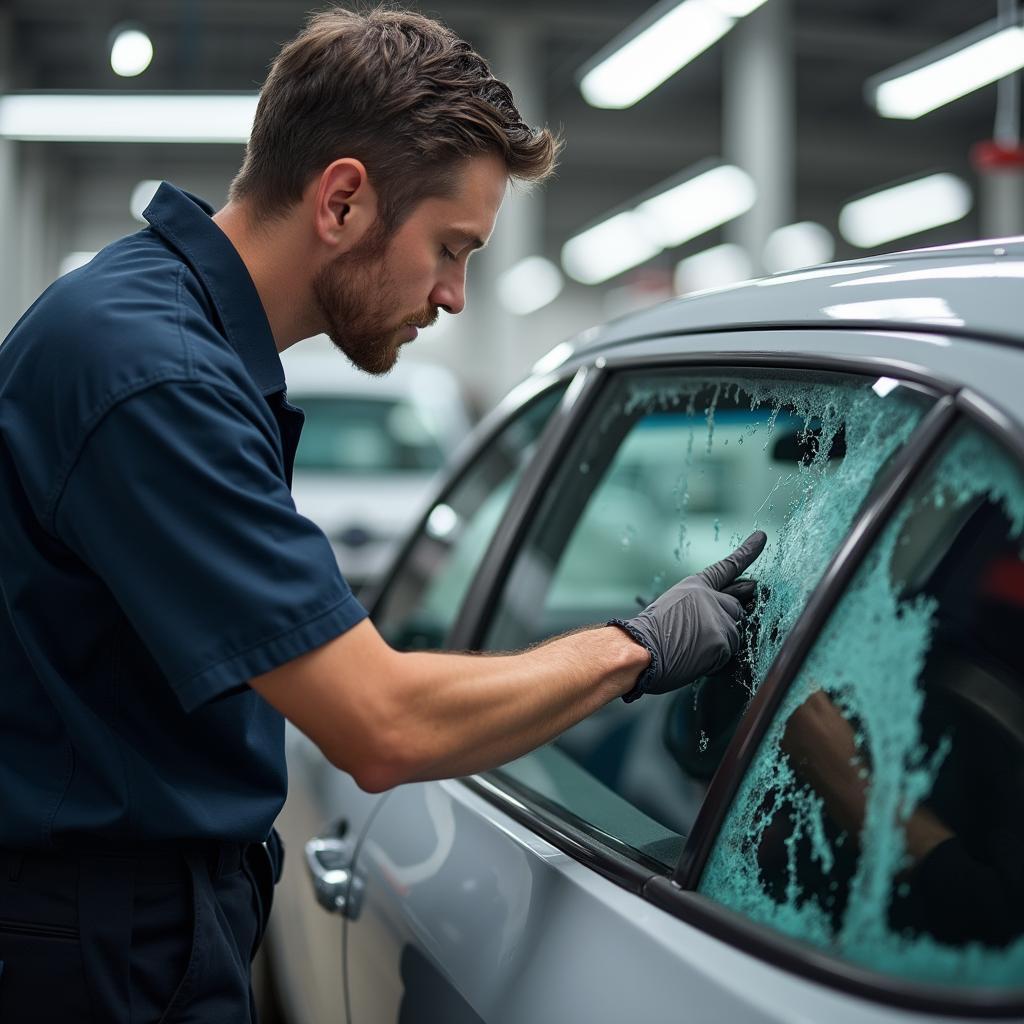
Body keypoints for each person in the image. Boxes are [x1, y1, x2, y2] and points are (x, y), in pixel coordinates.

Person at [0, 7, 765, 1021]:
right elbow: (381, 723)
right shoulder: (153, 376)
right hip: (98, 952)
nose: (453, 295)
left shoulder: (170, 340)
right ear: (344, 200)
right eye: (451, 247)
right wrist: (635, 647)